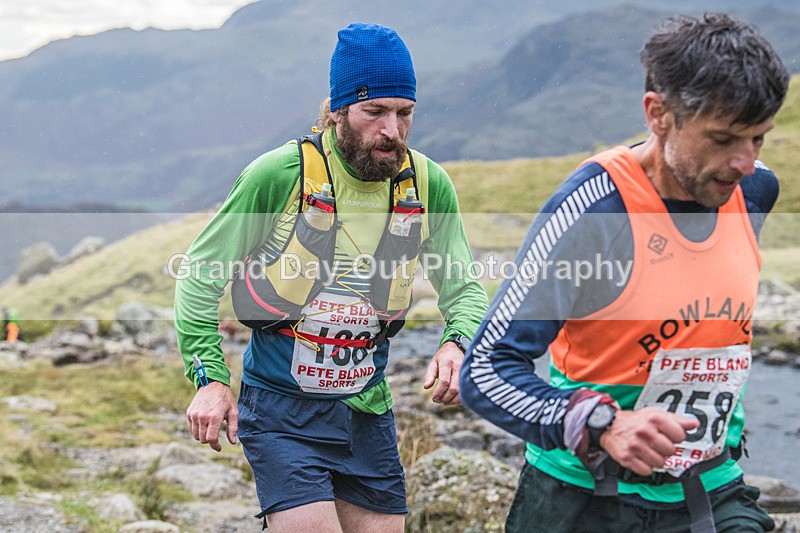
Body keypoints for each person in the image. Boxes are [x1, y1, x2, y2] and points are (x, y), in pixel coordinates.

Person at [460, 12, 789, 533]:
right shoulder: (594, 212)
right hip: (582, 498)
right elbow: (486, 369)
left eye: (759, 138)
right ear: (658, 114)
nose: (746, 161)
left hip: (706, 488)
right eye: (724, 139)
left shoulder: (752, 191)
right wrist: (603, 423)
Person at [174, 22, 487, 533]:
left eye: (404, 113)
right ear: (338, 109)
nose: (392, 130)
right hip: (281, 411)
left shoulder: (429, 184)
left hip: (367, 411)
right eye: (374, 112)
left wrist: (457, 343)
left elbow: (464, 287)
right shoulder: (278, 175)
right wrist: (209, 379)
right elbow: (200, 276)